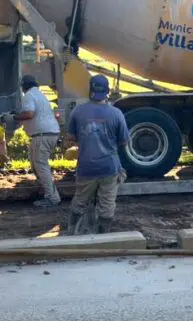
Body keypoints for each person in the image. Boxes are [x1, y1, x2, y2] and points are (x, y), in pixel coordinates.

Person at [66, 75, 129, 234]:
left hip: (86, 167)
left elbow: (72, 137)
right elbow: (124, 142)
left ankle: (72, 231)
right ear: (107, 91)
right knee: (107, 205)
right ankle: (102, 236)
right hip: (109, 167)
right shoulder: (116, 114)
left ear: (90, 90)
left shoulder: (78, 111)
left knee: (80, 201)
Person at [13, 74, 62, 208]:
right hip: (48, 133)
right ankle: (46, 191)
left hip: (42, 135)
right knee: (37, 165)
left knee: (40, 166)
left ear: (23, 86)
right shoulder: (39, 95)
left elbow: (29, 114)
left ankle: (52, 198)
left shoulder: (28, 95)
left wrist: (14, 117)